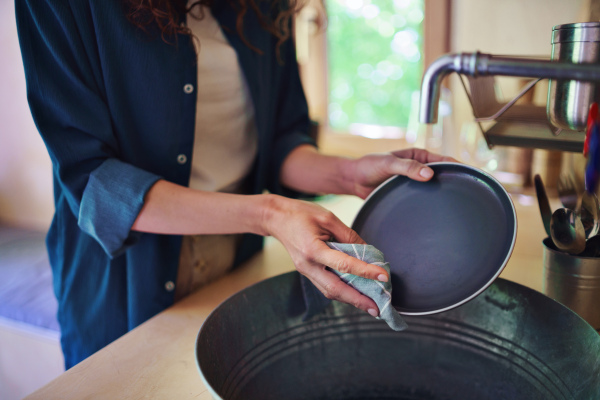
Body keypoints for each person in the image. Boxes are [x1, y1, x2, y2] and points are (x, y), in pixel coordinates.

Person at [15, 0, 454, 368]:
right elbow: (94, 179)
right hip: (119, 282)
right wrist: (268, 214)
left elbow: (281, 140)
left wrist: (348, 173)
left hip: (234, 253)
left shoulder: (262, 6)